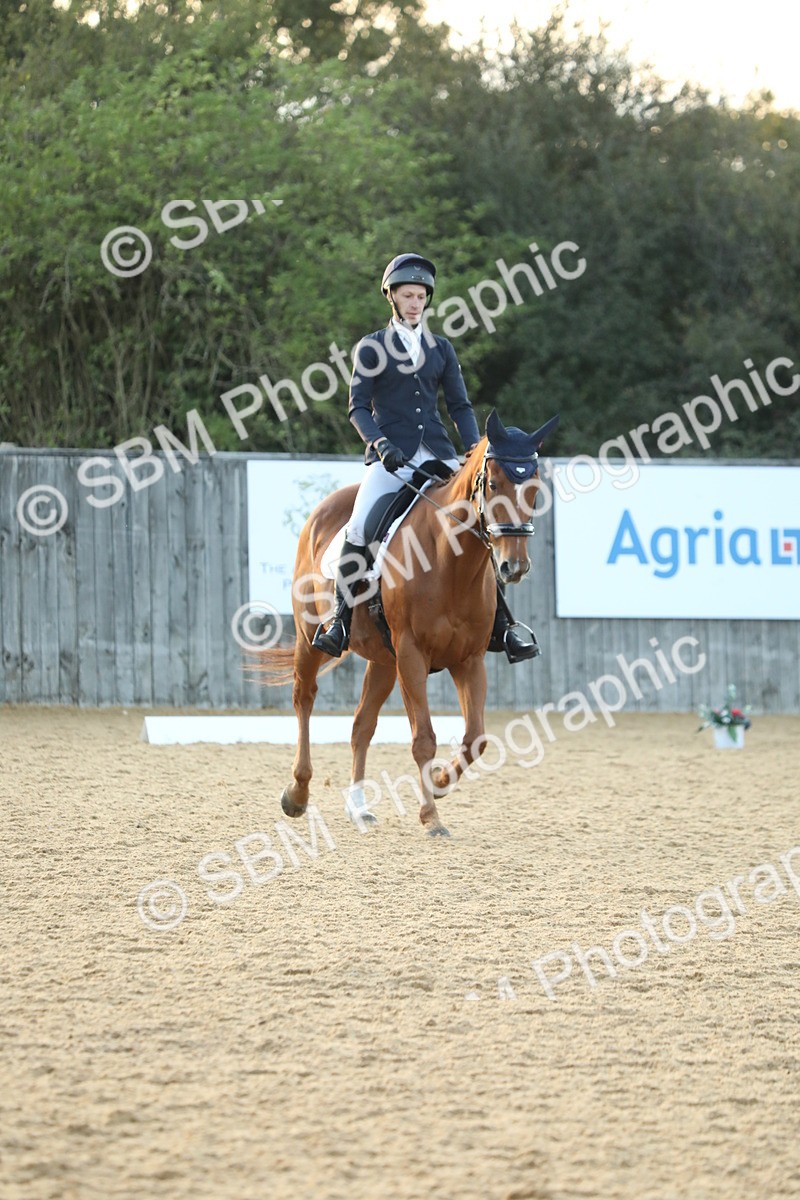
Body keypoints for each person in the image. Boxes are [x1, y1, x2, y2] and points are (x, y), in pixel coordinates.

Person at [312, 252, 540, 662]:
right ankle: (340, 622)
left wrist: (472, 448)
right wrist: (381, 445)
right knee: (361, 528)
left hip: (438, 456)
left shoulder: (441, 349)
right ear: (393, 298)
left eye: (420, 296)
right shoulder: (372, 347)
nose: (415, 303)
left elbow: (460, 406)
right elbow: (358, 408)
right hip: (391, 461)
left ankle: (502, 626)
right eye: (407, 296)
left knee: (482, 522)